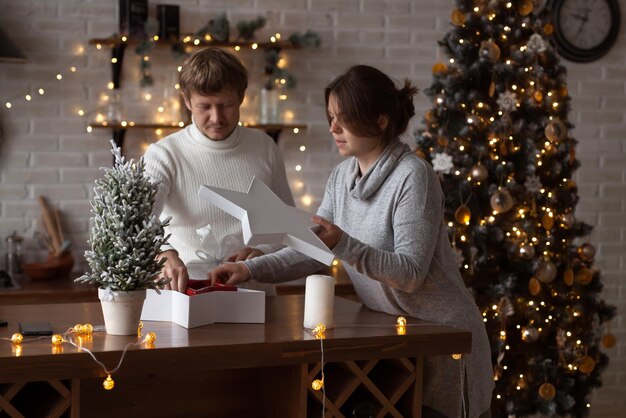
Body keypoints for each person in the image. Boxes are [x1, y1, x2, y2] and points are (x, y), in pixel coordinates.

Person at [209, 65, 494, 418]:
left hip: (444, 338)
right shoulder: (342, 176)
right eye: (331, 117)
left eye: (344, 119)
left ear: (380, 121)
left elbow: (410, 273)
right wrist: (247, 269)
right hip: (397, 338)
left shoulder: (414, 177)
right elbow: (314, 249)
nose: (333, 129)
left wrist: (343, 243)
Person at [143, 47, 294, 293]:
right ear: (187, 100)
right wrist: (164, 252)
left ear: (242, 97)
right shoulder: (164, 154)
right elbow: (140, 219)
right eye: (205, 106)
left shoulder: (265, 147)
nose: (217, 118)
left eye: (226, 105)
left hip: (254, 290)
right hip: (186, 292)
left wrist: (263, 252)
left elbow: (286, 223)